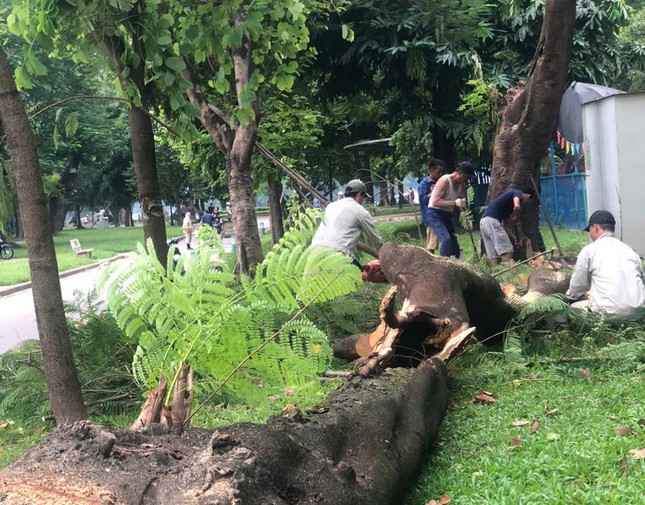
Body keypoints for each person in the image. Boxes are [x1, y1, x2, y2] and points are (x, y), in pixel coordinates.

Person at [566, 210, 645, 316]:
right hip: (638, 312)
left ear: (595, 227)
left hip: (608, 313)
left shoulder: (590, 250)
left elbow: (578, 286)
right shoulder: (630, 251)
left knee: (572, 308)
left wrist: (570, 298)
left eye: (589, 230)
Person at [312, 179, 382, 265]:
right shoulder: (360, 211)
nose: (362, 201)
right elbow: (376, 240)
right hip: (337, 254)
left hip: (313, 252)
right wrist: (385, 256)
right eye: (363, 197)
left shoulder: (331, 206)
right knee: (360, 276)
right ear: (359, 194)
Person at [427, 161, 475, 258]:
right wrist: (454, 203)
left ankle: (456, 265)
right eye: (465, 177)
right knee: (446, 240)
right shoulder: (445, 181)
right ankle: (444, 266)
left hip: (447, 214)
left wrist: (467, 219)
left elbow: (462, 203)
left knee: (454, 244)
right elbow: (435, 202)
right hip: (435, 214)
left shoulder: (461, 185)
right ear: (460, 173)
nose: (466, 180)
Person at [480, 187, 535, 264]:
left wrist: (514, 237)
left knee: (493, 255)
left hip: (483, 222)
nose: (526, 203)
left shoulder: (507, 207)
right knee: (508, 250)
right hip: (492, 221)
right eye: (527, 201)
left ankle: (496, 273)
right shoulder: (518, 193)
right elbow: (517, 207)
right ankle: (508, 271)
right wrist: (517, 217)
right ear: (528, 196)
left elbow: (505, 225)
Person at [417, 158, 445, 254]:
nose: (440, 174)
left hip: (441, 215)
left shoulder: (440, 182)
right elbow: (423, 200)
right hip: (430, 217)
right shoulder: (424, 184)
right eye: (438, 171)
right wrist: (433, 193)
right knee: (431, 244)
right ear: (431, 170)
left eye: (442, 171)